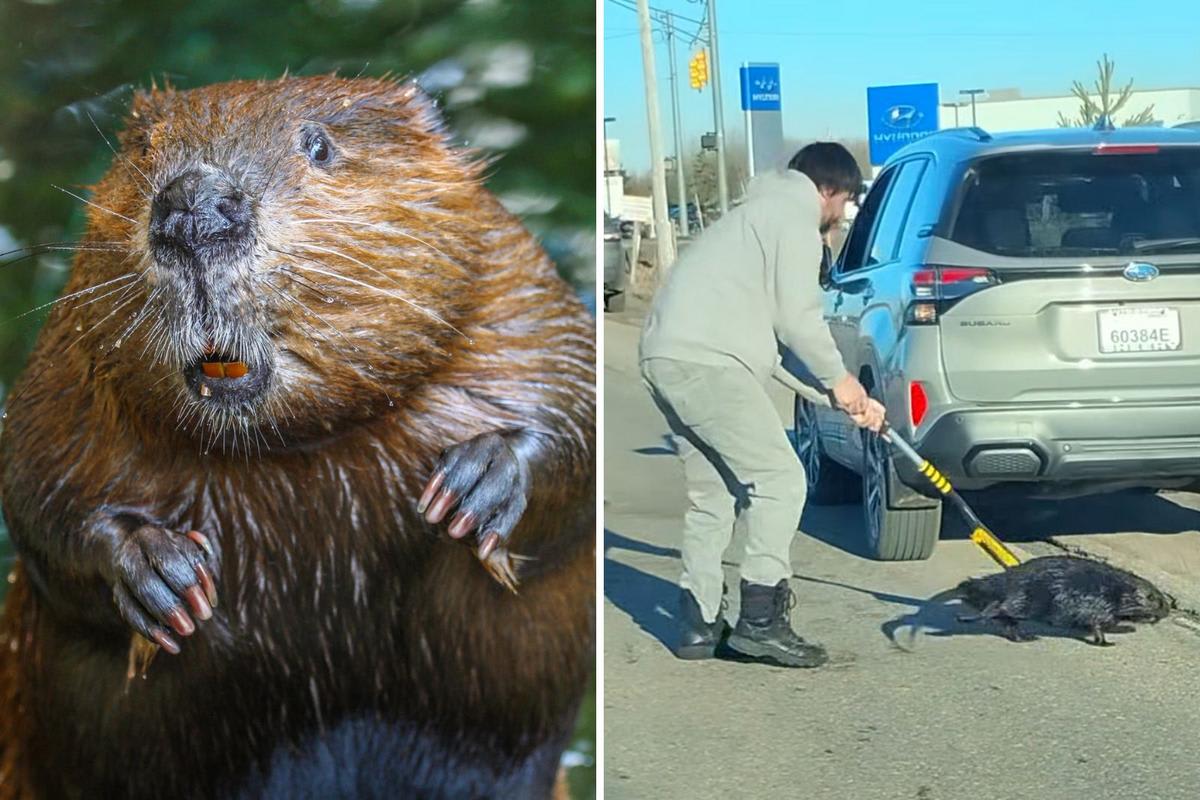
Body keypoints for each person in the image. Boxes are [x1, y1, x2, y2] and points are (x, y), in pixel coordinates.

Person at [639, 142, 886, 669]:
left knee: (715, 493)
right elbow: (799, 320)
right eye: (843, 202)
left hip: (668, 357)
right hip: (709, 363)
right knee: (780, 480)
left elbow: (774, 351)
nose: (840, 215)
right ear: (828, 190)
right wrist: (842, 381)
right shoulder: (794, 218)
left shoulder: (751, 217)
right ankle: (760, 621)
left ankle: (698, 625)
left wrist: (844, 396)